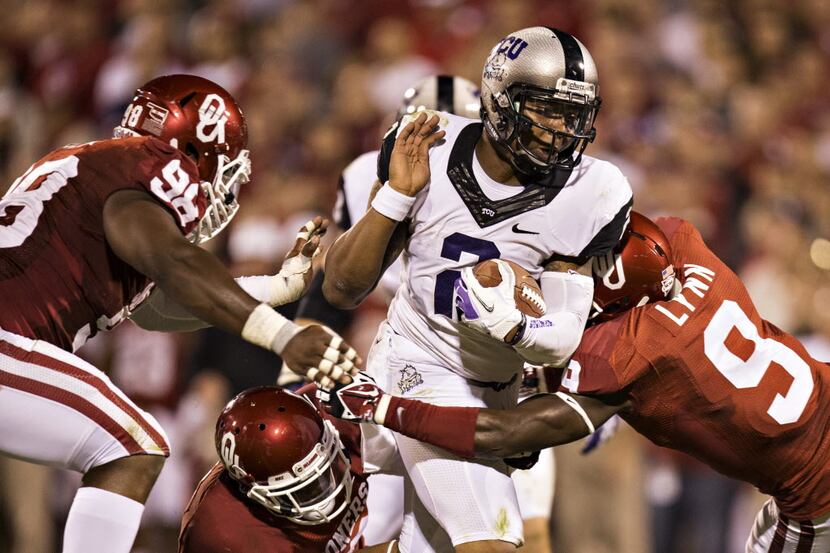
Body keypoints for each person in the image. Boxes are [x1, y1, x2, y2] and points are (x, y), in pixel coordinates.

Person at [325, 213, 830, 553]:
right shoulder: (682, 244)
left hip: (818, 495)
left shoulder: (629, 355)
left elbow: (505, 434)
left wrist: (388, 408)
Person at [0, 74, 357, 553]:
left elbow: (155, 307)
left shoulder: (93, 166)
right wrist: (283, 337)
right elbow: (173, 261)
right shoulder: (156, 163)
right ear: (196, 146)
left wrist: (273, 289)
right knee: (132, 446)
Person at [322, 26, 632, 552]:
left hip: (501, 390)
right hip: (415, 364)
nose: (561, 131)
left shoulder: (592, 192)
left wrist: (511, 325)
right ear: (499, 98)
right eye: (547, 110)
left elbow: (559, 336)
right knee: (494, 542)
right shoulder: (428, 146)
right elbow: (342, 288)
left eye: (573, 116)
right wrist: (397, 196)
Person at [179, 385, 399, 553]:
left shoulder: (333, 406)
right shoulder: (223, 533)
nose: (325, 495)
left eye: (327, 469)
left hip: (364, 523)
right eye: (304, 491)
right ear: (252, 492)